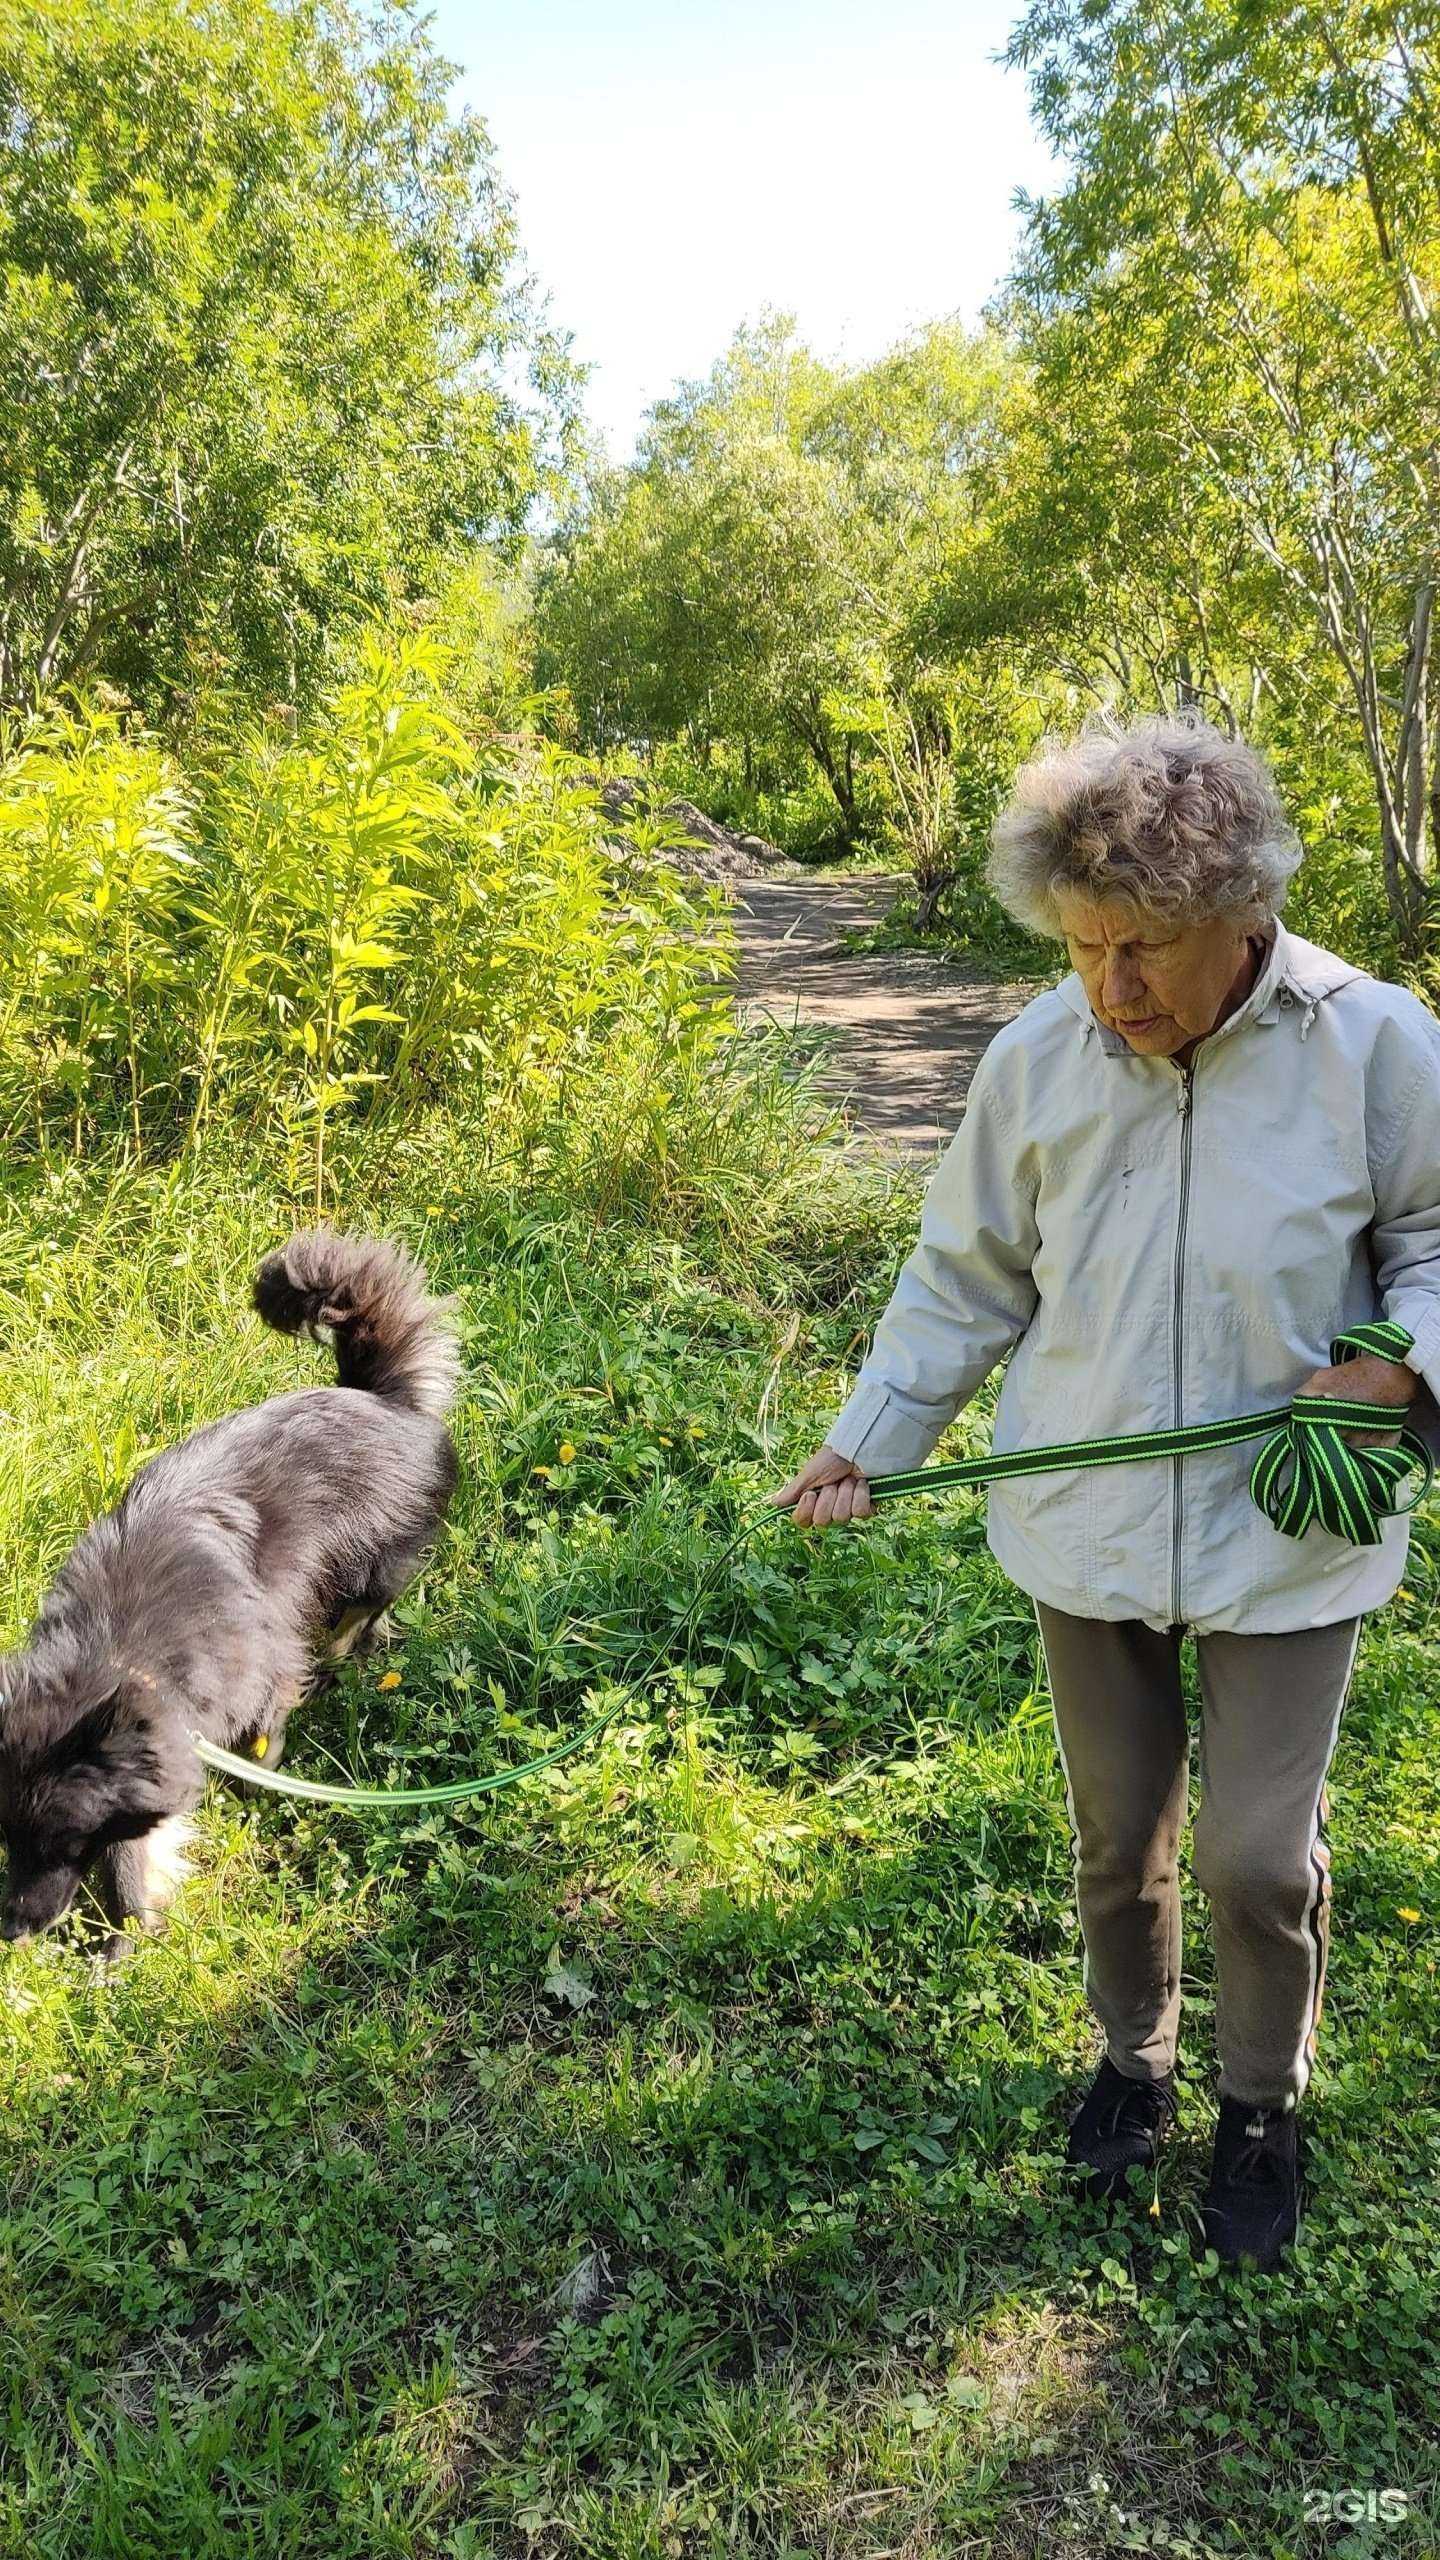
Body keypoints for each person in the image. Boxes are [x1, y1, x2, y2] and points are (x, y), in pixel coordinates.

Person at [770, 708, 1440, 2270]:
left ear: (1243, 918)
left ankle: (1259, 2106)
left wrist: (1403, 1363)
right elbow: (962, 1280)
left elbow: (1437, 1237)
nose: (1109, 990)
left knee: (1259, 1859)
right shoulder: (1040, 1061)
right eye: (1081, 949)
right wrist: (871, 1439)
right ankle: (1131, 2066)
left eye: (1142, 949)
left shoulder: (1379, 1046)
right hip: (1091, 1531)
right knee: (1113, 1838)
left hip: (1290, 1524)